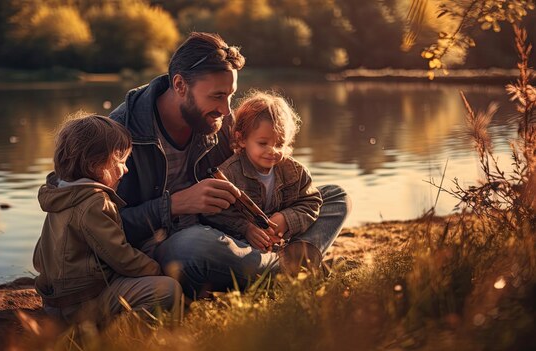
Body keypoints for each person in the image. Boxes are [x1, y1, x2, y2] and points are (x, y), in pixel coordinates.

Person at [110, 32, 351, 298]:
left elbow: (257, 170)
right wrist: (175, 204)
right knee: (192, 245)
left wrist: (278, 219)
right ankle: (294, 271)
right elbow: (103, 226)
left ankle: (287, 264)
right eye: (217, 96)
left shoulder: (218, 121)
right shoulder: (120, 133)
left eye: (230, 96)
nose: (226, 111)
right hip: (174, 249)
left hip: (230, 235)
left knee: (333, 197)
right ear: (180, 85)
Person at [33, 114, 181, 325]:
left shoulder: (60, 194)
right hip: (82, 304)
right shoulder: (94, 203)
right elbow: (120, 256)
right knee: (168, 290)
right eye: (121, 161)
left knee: (146, 250)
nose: (126, 169)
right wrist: (155, 269)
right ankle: (117, 335)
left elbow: (40, 256)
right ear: (96, 166)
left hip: (56, 302)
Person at [202, 90, 322, 257]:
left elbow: (312, 201)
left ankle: (291, 255)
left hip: (283, 236)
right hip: (245, 243)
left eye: (280, 143)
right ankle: (289, 260)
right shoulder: (228, 173)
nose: (272, 150)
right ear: (242, 139)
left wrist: (286, 219)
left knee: (339, 200)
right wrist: (246, 229)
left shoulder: (295, 171)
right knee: (207, 243)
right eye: (263, 143)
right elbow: (213, 214)